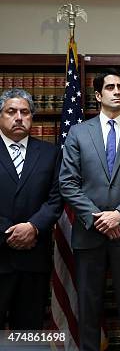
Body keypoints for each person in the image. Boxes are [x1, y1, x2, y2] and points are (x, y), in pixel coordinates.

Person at [59, 68, 120, 351]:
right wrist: (99, 218)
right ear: (98, 94)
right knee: (88, 308)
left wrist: (119, 215)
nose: (117, 91)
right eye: (111, 87)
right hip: (89, 235)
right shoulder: (78, 133)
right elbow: (68, 183)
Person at [0, 88, 63, 329]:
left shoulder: (50, 153)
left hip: (34, 257)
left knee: (28, 332)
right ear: (0, 115)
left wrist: (33, 227)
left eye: (25, 112)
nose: (18, 117)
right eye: (11, 111)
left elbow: (57, 197)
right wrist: (10, 233)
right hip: (0, 254)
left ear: (32, 117)